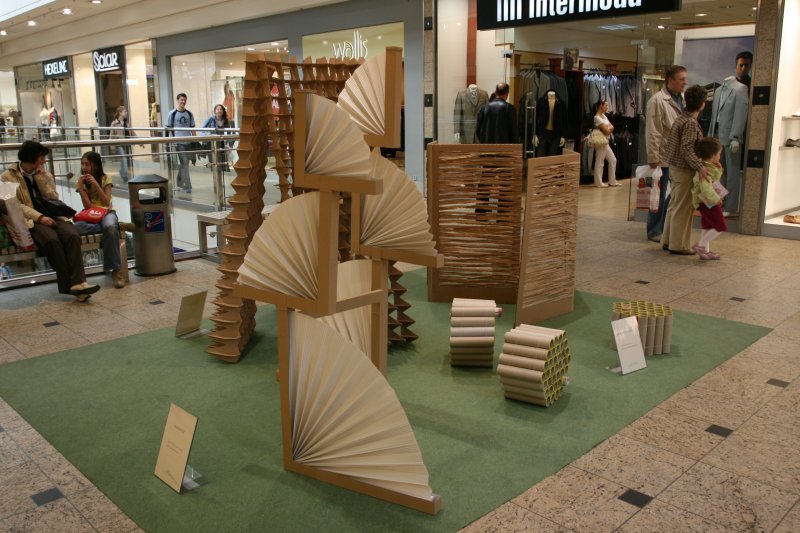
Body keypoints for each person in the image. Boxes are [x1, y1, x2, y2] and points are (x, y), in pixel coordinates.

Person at [0, 141, 99, 301]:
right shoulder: (7, 177)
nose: (44, 161)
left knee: (72, 235)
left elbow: (54, 197)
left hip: (53, 215)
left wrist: (41, 179)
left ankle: (78, 284)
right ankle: (74, 285)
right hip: (31, 220)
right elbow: (16, 206)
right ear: (31, 158)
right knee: (52, 240)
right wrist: (39, 217)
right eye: (41, 158)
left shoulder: (43, 173)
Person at [659, 85, 710, 255]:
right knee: (683, 208)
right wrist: (700, 166)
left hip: (675, 167)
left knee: (674, 205)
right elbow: (687, 148)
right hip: (684, 170)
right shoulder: (690, 123)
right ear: (701, 103)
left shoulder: (681, 118)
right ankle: (678, 245)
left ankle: (668, 240)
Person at [645, 65, 688, 242]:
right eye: (681, 79)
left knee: (672, 195)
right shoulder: (657, 101)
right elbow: (653, 132)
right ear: (670, 80)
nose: (685, 82)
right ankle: (654, 230)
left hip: (676, 157)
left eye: (685, 79)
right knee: (659, 195)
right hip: (662, 156)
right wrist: (653, 158)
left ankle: (665, 228)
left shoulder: (681, 99)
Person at [72, 151, 126, 288]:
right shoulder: (81, 182)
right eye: (82, 164)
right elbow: (88, 207)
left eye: (87, 164)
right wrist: (81, 189)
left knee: (110, 228)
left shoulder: (106, 178)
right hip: (91, 215)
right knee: (75, 228)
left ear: (95, 165)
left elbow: (106, 202)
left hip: (107, 213)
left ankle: (115, 270)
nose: (84, 167)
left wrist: (96, 184)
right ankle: (118, 225)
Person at [708, 51, 751, 216]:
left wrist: (736, 137)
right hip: (716, 136)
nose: (743, 68)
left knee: (732, 173)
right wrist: (710, 136)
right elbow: (714, 115)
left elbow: (741, 114)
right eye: (740, 65)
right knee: (718, 172)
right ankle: (720, 202)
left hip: (731, 138)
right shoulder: (718, 90)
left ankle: (731, 207)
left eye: (746, 65)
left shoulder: (741, 89)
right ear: (736, 65)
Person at [690, 137, 727, 260]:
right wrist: (716, 199)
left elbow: (714, 179)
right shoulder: (705, 171)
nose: (720, 157)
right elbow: (706, 189)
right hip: (708, 202)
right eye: (719, 154)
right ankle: (700, 245)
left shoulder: (706, 166)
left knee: (707, 226)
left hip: (704, 202)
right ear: (712, 155)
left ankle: (705, 251)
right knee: (720, 226)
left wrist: (719, 168)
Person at [165, 93, 196, 193]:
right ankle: (187, 186)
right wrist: (169, 142)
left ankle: (179, 181)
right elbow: (168, 128)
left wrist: (194, 141)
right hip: (178, 143)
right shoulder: (172, 113)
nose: (183, 102)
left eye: (184, 100)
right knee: (185, 163)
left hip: (188, 142)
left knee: (184, 163)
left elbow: (192, 129)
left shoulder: (189, 114)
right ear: (177, 100)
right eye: (181, 100)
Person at [592, 99, 619, 187]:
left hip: (605, 141)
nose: (607, 107)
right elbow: (607, 131)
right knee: (600, 161)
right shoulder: (597, 117)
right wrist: (609, 128)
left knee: (613, 160)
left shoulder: (603, 116)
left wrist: (608, 128)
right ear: (601, 105)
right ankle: (598, 182)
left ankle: (612, 181)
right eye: (606, 105)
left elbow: (611, 127)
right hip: (601, 141)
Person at [201, 104, 233, 170]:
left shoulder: (226, 120)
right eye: (218, 109)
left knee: (222, 161)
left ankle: (220, 174)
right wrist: (207, 137)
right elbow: (202, 129)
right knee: (214, 161)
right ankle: (216, 174)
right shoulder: (211, 119)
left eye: (221, 109)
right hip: (212, 144)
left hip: (222, 143)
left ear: (223, 111)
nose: (219, 111)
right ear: (215, 111)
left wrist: (228, 141)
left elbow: (229, 132)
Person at [109, 105, 132, 183]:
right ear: (120, 112)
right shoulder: (114, 123)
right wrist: (112, 147)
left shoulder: (126, 123)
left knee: (124, 161)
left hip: (126, 144)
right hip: (119, 145)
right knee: (124, 159)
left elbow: (132, 133)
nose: (126, 113)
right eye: (125, 111)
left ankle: (122, 171)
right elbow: (111, 135)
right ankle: (125, 177)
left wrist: (140, 142)